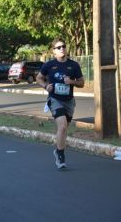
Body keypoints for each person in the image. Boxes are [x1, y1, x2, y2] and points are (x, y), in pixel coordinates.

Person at [36, 38, 84, 169]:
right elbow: (38, 78)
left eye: (63, 46)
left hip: (69, 101)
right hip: (55, 100)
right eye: (58, 47)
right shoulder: (49, 65)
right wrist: (45, 86)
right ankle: (61, 155)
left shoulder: (73, 65)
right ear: (54, 51)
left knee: (63, 128)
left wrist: (72, 82)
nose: (62, 48)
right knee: (62, 126)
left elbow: (81, 82)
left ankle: (58, 149)